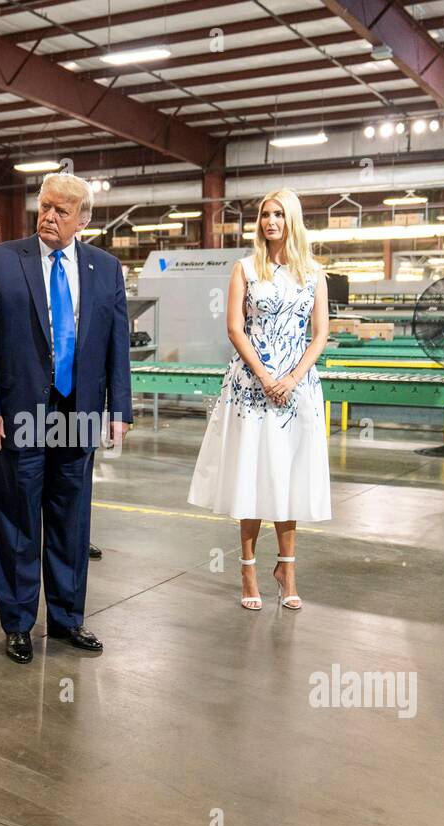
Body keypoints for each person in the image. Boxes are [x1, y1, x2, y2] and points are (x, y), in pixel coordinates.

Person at [0, 173, 132, 664]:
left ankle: (66, 618)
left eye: (62, 211)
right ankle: (18, 622)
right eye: (44, 207)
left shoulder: (105, 268)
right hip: (18, 412)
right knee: (17, 518)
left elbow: (116, 345)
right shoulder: (1, 261)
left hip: (78, 412)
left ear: (83, 220)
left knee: (71, 519)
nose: (49, 217)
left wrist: (118, 409)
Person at [187, 189, 331, 611]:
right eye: (266, 215)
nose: (271, 222)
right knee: (252, 475)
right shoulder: (246, 268)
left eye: (279, 215)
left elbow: (320, 332)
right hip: (251, 386)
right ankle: (248, 569)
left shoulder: (314, 273)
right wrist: (267, 377)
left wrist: (292, 378)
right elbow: (235, 328)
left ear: (293, 221)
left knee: (288, 476)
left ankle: (287, 568)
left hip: (297, 388)